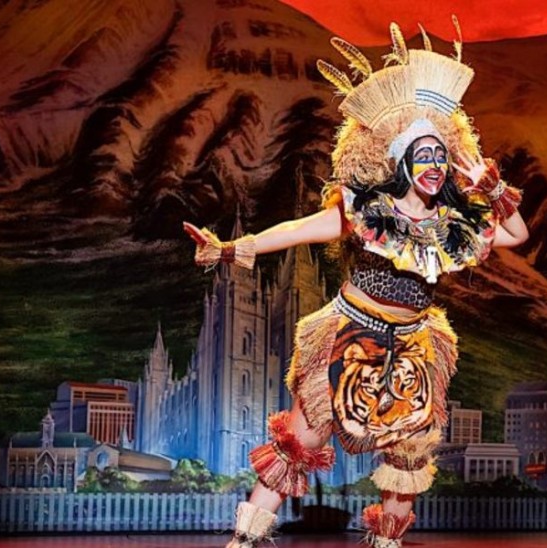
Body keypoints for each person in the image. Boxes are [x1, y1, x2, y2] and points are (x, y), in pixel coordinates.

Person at [183, 25, 528, 548]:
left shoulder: (453, 224)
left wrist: (493, 187)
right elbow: (298, 229)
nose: (435, 167)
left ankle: (387, 543)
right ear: (403, 162)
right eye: (424, 157)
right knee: (300, 440)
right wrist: (232, 248)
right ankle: (244, 541)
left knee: (409, 456)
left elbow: (516, 234)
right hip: (349, 333)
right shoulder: (366, 211)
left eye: (441, 158)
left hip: (413, 346)